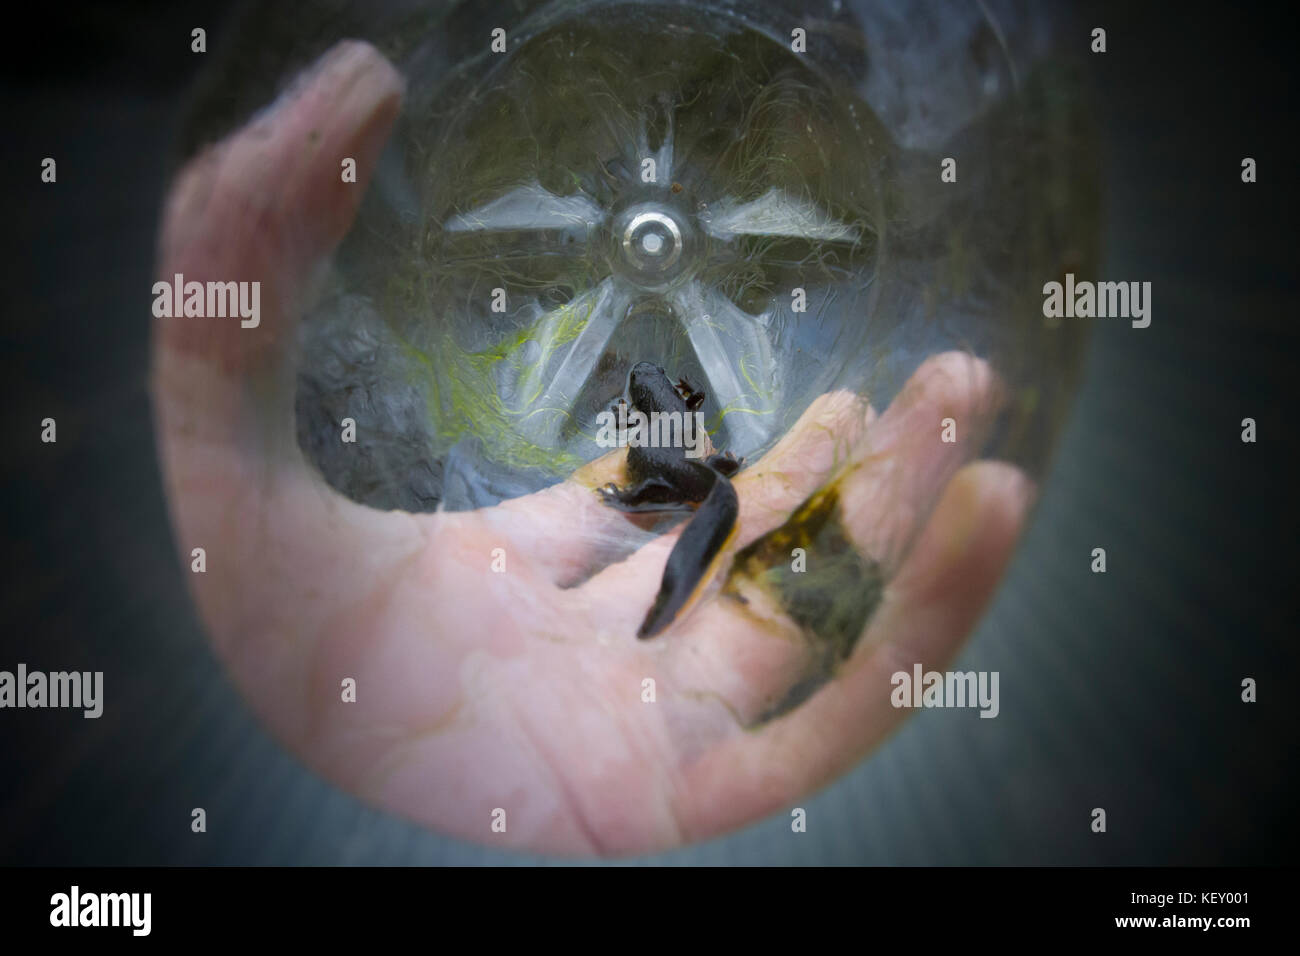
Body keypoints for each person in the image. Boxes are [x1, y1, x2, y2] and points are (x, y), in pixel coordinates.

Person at [152, 40, 1032, 856]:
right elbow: (665, 446)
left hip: (687, 476)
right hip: (689, 475)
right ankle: (685, 529)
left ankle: (686, 532)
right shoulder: (668, 441)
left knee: (710, 496)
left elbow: (664, 450)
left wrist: (684, 476)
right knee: (708, 495)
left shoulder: (663, 443)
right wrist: (690, 474)